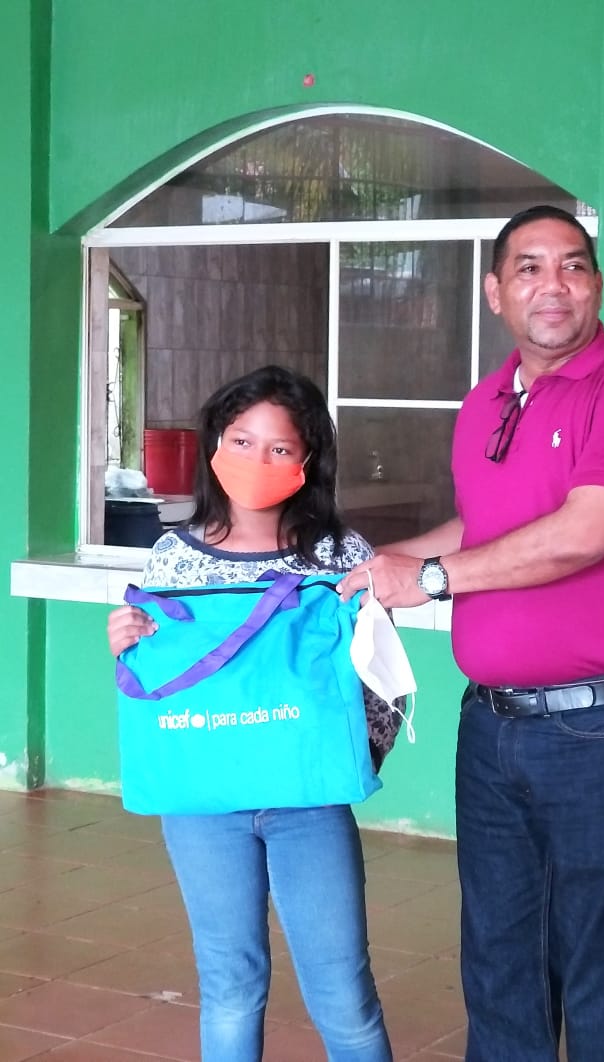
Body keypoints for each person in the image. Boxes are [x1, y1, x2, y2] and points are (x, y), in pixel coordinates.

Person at [338, 204, 604, 1061]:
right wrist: (386, 565)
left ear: (597, 285)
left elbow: (583, 533)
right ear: (495, 292)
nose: (553, 285)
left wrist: (426, 580)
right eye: (529, 268)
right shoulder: (485, 402)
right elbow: (484, 527)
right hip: (493, 727)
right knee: (501, 968)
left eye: (572, 266)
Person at [107, 365, 396, 1062]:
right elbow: (162, 681)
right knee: (230, 988)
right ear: (215, 444)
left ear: (307, 460)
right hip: (203, 811)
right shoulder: (172, 558)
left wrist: (334, 753)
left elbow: (384, 691)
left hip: (309, 806)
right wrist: (126, 643)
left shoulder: (341, 558)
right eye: (241, 441)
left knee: (344, 997)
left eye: (279, 447)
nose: (256, 459)